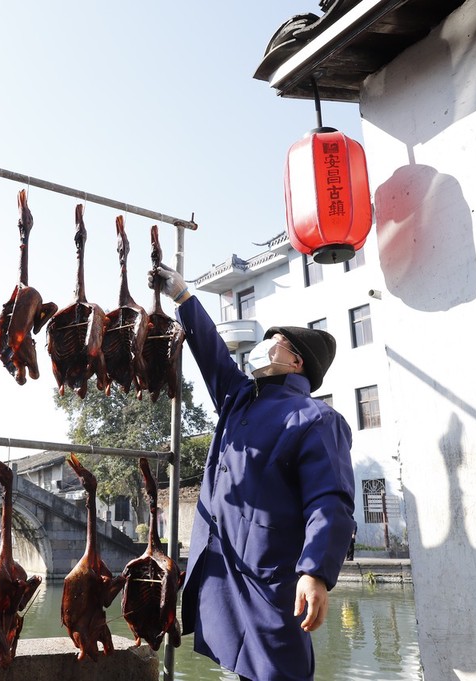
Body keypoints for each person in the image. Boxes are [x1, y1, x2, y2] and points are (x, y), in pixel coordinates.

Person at [151, 263, 355, 681]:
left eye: (273, 344)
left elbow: (330, 501)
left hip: (273, 578)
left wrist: (315, 571)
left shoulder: (316, 419)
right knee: (238, 663)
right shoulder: (241, 398)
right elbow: (211, 353)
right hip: (226, 567)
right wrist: (184, 297)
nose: (262, 349)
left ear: (296, 361)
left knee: (278, 669)